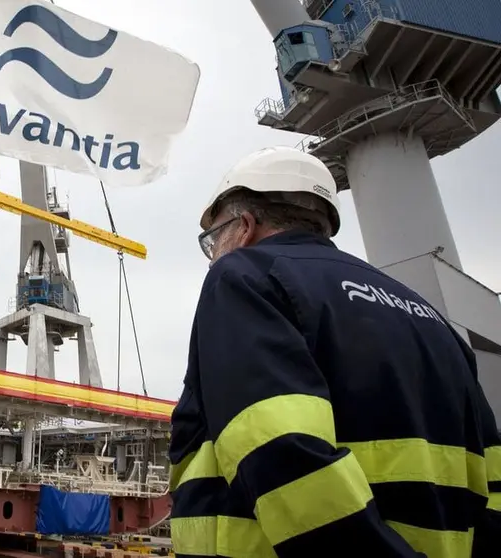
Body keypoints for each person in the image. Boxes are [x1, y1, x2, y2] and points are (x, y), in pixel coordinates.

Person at [168, 146, 501, 557]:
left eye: (212, 240)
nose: (212, 257)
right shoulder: (431, 318)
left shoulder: (245, 277)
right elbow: (494, 476)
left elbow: (280, 452)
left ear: (245, 226)